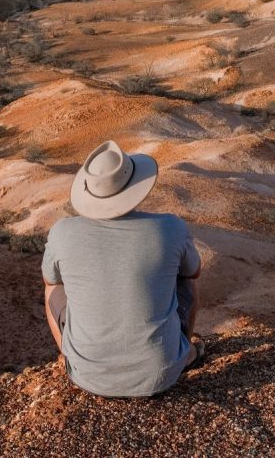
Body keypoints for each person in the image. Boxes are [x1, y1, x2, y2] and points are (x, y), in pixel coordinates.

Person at [41, 139, 206, 397]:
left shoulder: (62, 231)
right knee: (185, 280)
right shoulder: (170, 227)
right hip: (161, 376)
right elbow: (193, 272)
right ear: (135, 185)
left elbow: (49, 278)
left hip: (87, 379)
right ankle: (183, 355)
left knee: (52, 285)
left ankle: (71, 358)